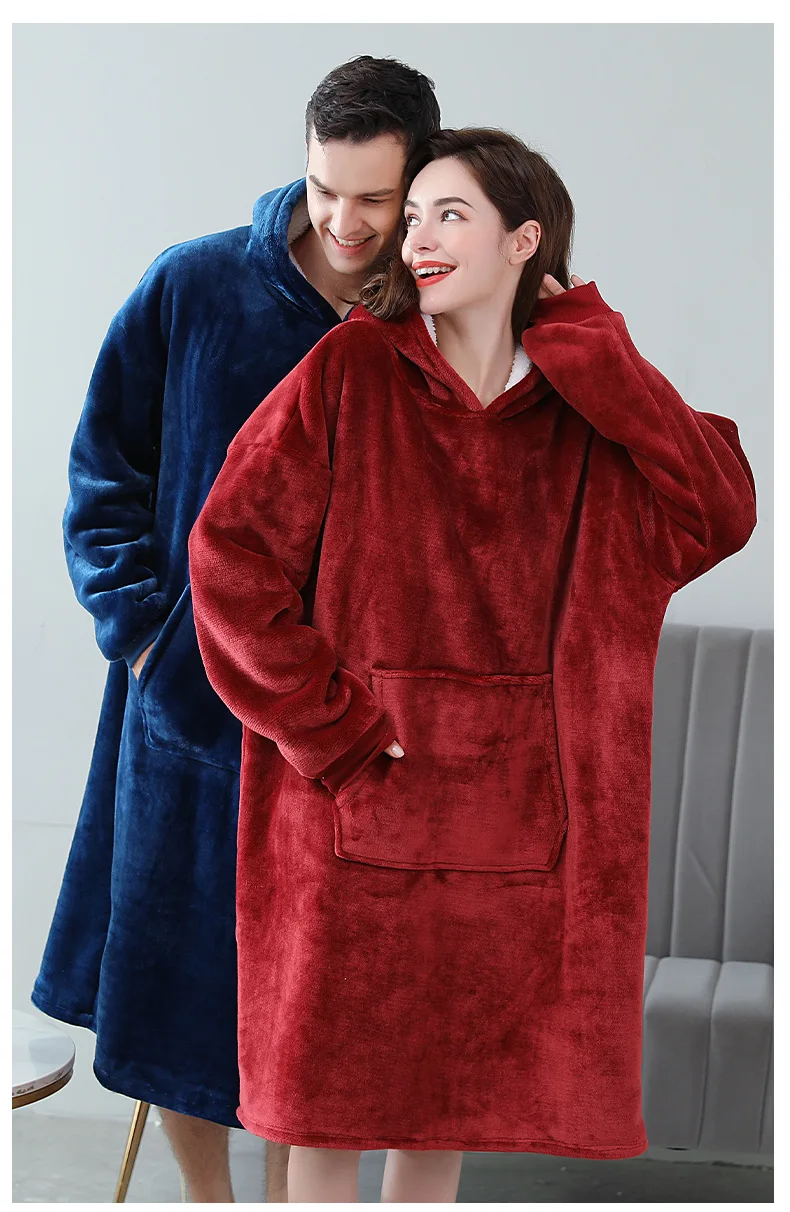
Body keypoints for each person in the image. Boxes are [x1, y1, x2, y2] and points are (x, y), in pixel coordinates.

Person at [188, 126, 758, 1203]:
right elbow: (228, 557)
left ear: (523, 240)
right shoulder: (353, 368)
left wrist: (595, 346)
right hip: (355, 797)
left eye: (449, 215)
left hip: (520, 826)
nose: (417, 240)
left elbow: (717, 510)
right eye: (412, 218)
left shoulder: (584, 407)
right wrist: (332, 726)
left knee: (442, 1110)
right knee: (325, 1117)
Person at [30, 56, 441, 1203]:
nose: (345, 223)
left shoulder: (434, 313)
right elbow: (102, 474)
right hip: (193, 711)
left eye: (376, 199)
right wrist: (147, 639)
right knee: (182, 996)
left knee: (321, 1011)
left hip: (350, 729)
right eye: (325, 189)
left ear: (420, 179)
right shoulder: (197, 284)